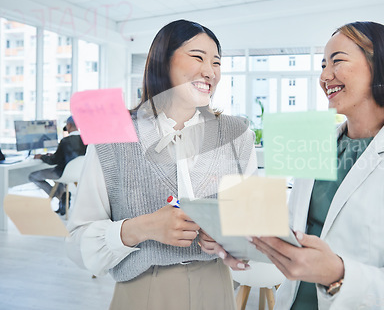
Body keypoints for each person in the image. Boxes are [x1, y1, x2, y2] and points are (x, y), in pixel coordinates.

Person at [250, 22, 384, 309]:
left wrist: (337, 275)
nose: (325, 76)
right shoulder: (314, 144)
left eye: (337, 61)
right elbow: (292, 234)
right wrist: (237, 243)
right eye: (323, 64)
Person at [66, 19, 256, 310]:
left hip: (217, 287)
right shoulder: (112, 137)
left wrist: (229, 235)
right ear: (162, 61)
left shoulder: (237, 135)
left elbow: (252, 224)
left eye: (216, 62)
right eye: (197, 57)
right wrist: (140, 228)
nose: (210, 71)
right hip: (142, 290)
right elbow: (78, 245)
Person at [29, 115, 86, 215]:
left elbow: (53, 160)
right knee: (60, 181)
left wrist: (41, 157)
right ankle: (62, 197)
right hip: (78, 173)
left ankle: (60, 196)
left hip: (62, 173)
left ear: (68, 125)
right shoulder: (86, 140)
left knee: (33, 176)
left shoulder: (65, 141)